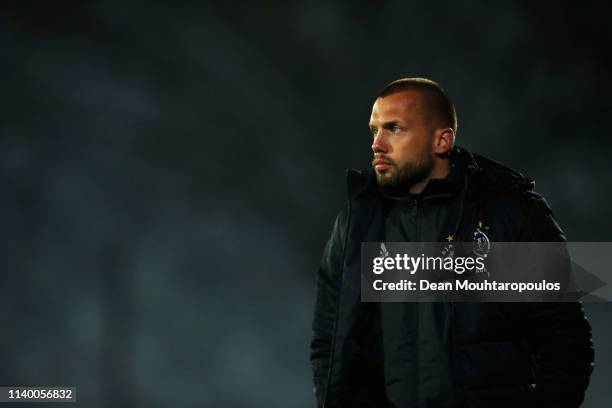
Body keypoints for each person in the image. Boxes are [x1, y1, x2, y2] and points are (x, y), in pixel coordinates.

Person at [310, 78, 594, 408]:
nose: (377, 144)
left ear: (442, 140)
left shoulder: (511, 215)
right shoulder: (358, 221)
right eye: (375, 130)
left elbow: (566, 342)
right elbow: (329, 340)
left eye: (394, 129)